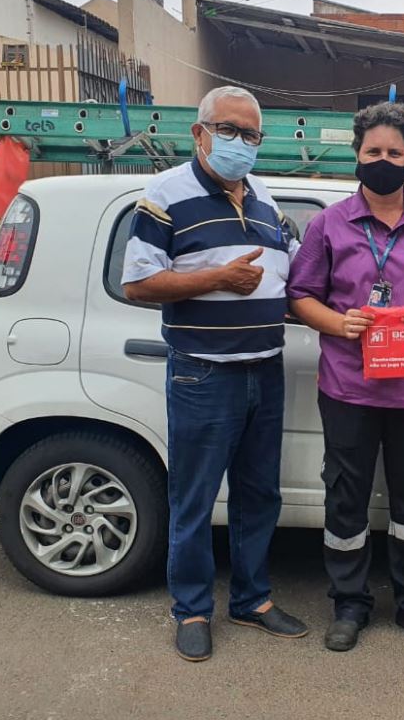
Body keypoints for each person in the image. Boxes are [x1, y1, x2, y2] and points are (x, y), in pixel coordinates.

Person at [122, 85, 307, 663]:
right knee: (195, 499)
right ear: (199, 133)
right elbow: (137, 283)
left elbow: (296, 282)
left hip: (263, 370)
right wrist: (216, 279)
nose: (241, 143)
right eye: (229, 130)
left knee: (259, 495)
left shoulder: (266, 200)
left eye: (251, 134)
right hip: (202, 374)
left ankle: (251, 599)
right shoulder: (164, 195)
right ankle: (193, 609)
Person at [288, 102, 404, 652]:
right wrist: (340, 323)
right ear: (357, 155)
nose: (383, 160)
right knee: (346, 497)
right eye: (373, 151)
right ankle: (350, 604)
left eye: (395, 152)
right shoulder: (328, 224)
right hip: (348, 385)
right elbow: (299, 295)